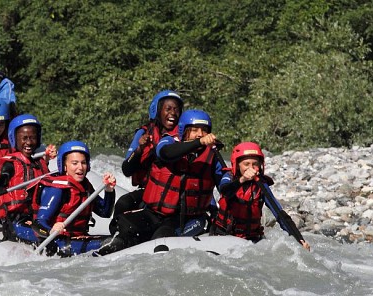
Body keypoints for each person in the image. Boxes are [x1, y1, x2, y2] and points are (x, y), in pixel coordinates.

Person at [114, 110, 225, 245]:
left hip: (190, 219)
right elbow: (166, 153)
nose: (200, 134)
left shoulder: (213, 157)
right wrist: (199, 142)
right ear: (184, 131)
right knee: (124, 227)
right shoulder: (168, 141)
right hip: (155, 213)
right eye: (195, 130)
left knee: (161, 237)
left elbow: (225, 187)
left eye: (204, 131)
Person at [16, 141, 122, 257]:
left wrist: (109, 191)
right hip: (56, 242)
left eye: (83, 163)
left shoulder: (85, 186)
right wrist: (51, 230)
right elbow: (39, 223)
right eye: (74, 163)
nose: (80, 168)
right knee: (115, 243)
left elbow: (105, 212)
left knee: (120, 239)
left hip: (77, 238)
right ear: (65, 166)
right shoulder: (58, 189)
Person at [212, 142, 311, 250]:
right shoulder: (228, 177)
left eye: (255, 164)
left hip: (252, 239)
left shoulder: (261, 185)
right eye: (246, 164)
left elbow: (279, 214)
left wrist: (299, 239)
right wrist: (242, 179)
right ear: (237, 164)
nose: (251, 168)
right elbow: (225, 190)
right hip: (223, 235)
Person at [110, 90, 183, 234]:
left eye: (176, 109)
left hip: (174, 194)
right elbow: (127, 169)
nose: (172, 113)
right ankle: (117, 237)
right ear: (157, 111)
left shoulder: (185, 135)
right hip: (147, 191)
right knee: (124, 203)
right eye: (168, 109)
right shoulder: (143, 134)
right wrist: (139, 149)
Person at [0, 114, 56, 223]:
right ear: (14, 138)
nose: (28, 142)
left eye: (32, 138)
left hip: (38, 217)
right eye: (24, 138)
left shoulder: (41, 163)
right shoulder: (4, 164)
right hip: (14, 218)